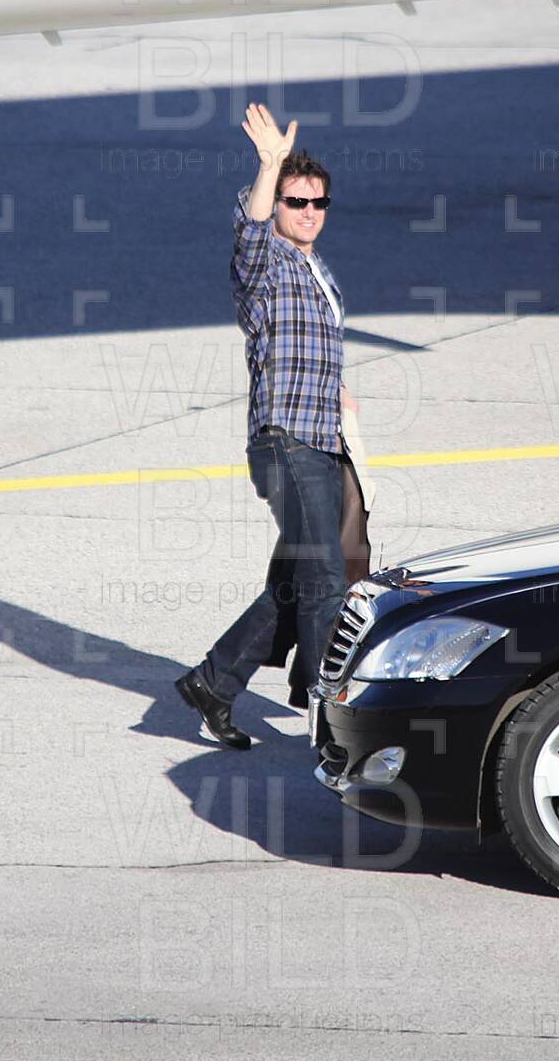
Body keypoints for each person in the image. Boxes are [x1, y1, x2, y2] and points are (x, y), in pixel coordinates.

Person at [176, 104, 360, 749]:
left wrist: (339, 391)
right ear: (278, 204)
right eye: (296, 201)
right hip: (286, 441)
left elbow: (307, 345)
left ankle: (213, 682)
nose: (308, 211)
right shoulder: (266, 263)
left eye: (318, 202)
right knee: (326, 580)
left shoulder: (318, 269)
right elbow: (250, 229)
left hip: (322, 439)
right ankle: (334, 721)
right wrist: (269, 164)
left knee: (293, 583)